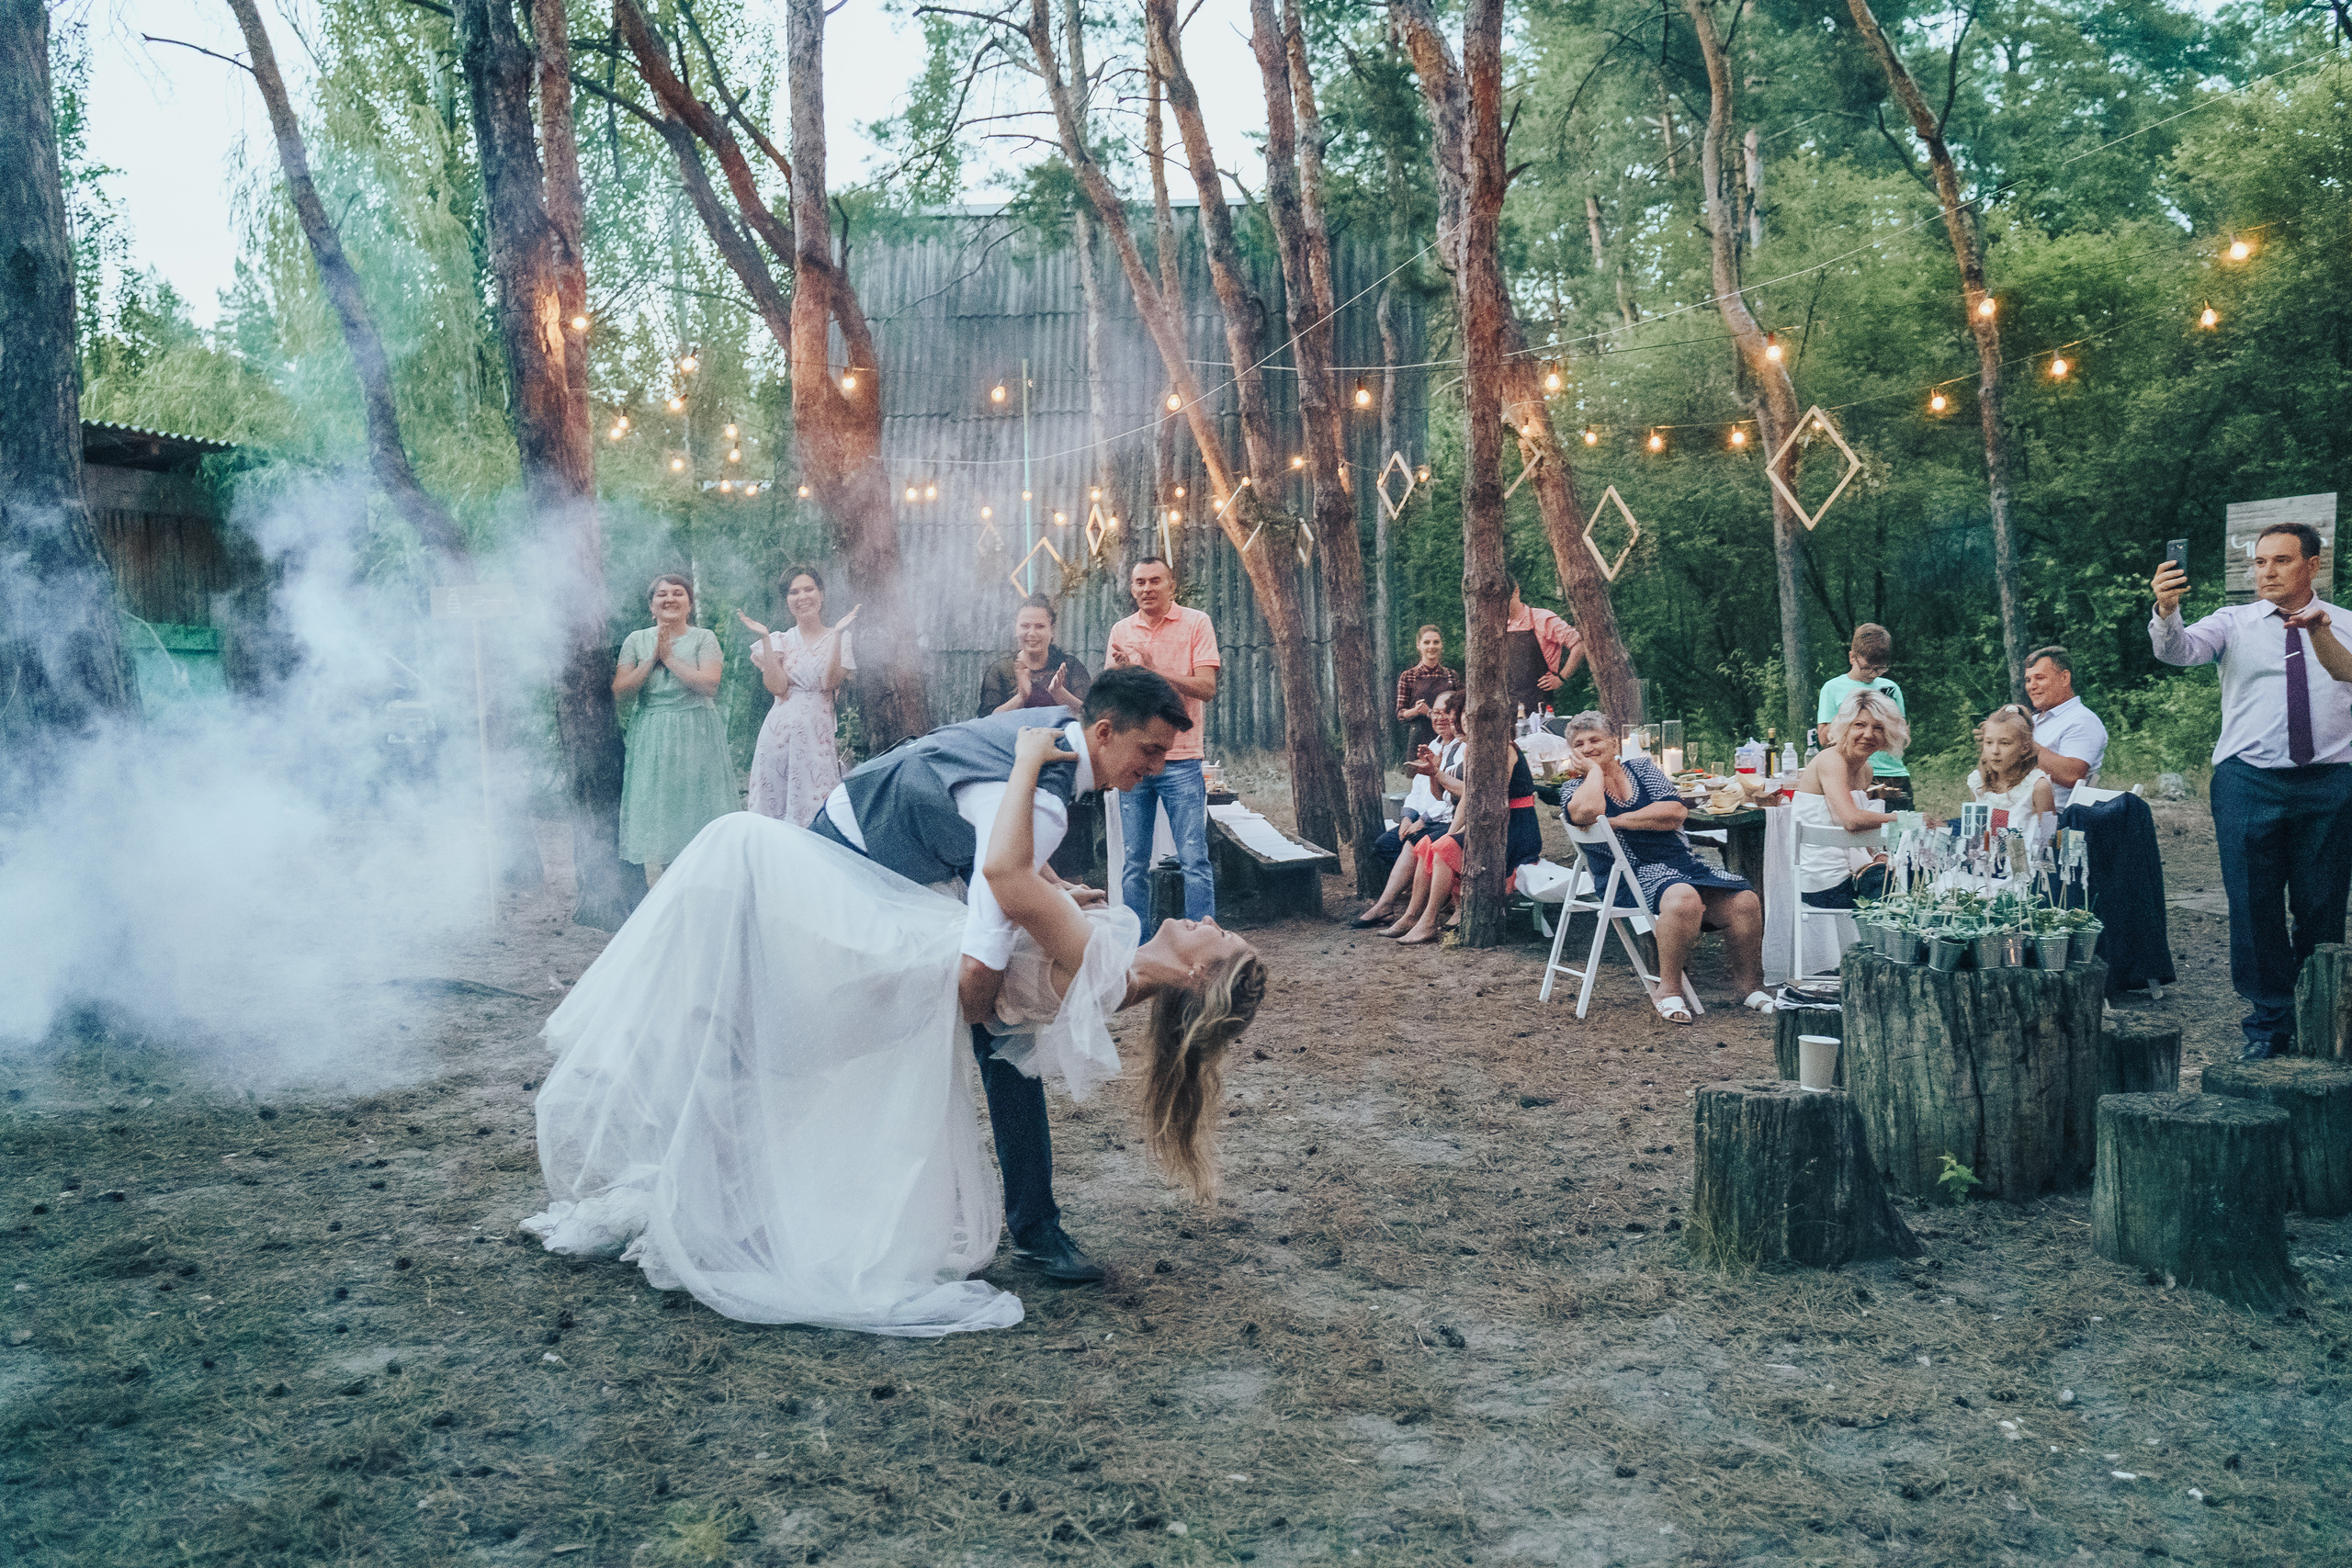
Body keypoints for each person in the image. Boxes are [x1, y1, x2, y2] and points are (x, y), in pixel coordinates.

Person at [521, 724, 1266, 1337]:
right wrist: (1063, 891)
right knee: (752, 1022)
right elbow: (1027, 908)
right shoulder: (1114, 955)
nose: (1207, 918)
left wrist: (1032, 760)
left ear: (1200, 978)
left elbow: (1004, 876)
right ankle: (712, 1196)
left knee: (740, 861)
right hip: (916, 951)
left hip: (906, 965)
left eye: (1218, 936)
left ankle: (708, 1199)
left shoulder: (1107, 965)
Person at [809, 665, 1195, 1284]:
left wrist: (1056, 890)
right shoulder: (1047, 800)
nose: (1155, 768)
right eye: (1150, 750)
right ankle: (1030, 1226)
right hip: (856, 860)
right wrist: (981, 996)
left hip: (907, 846)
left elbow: (995, 827)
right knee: (968, 1023)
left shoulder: (1051, 741)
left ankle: (1036, 1224)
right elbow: (990, 920)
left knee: (1006, 1029)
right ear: (1103, 732)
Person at [2151, 524, 2352, 1059]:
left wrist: (2319, 631)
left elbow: (2348, 672)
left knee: (2322, 905)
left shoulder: (2346, 625)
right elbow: (2180, 653)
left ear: (2313, 565)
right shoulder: (2232, 623)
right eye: (2260, 562)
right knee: (2253, 905)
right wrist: (2167, 612)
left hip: (2330, 783)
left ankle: (2321, 1017)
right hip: (2248, 781)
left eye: (2281, 561)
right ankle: (2270, 1023)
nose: (2267, 571)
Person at [1560, 710, 1769, 1021]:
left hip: (1682, 865)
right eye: (1580, 744)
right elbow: (1590, 810)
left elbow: (1673, 812)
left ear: (1613, 743)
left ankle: (1748, 986)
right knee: (1683, 897)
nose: (1588, 748)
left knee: (1745, 900)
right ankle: (1669, 989)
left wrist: (1615, 821)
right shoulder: (1571, 789)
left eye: (1595, 740)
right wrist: (1592, 773)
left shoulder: (1642, 769)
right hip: (1627, 877)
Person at [1106, 557, 1221, 933]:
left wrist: (1154, 672)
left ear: (1172, 586)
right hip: (1133, 759)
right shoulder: (1122, 630)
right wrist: (1124, 676)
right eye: (1139, 582)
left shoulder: (1196, 623)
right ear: (1132, 588)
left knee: (1193, 858)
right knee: (1134, 862)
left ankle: (1201, 940)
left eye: (1155, 581)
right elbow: (1112, 698)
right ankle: (1135, 946)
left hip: (1182, 758)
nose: (1146, 589)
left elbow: (1206, 688)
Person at [1380, 705, 1543, 944]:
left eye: (1469, 720)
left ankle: (1429, 921)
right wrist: (1455, 830)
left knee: (1445, 848)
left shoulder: (1503, 749)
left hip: (1514, 825)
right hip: (1485, 821)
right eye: (1462, 719)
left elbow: (1495, 796)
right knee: (1428, 843)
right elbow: (1469, 796)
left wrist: (1460, 833)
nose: (1463, 725)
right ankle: (1412, 916)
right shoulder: (1471, 751)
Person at [613, 574, 737, 886]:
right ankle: (670, 888)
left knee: (696, 808)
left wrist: (668, 659)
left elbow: (709, 684)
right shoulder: (636, 640)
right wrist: (651, 659)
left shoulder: (703, 638)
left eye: (678, 593)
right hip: (653, 732)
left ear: (689, 604)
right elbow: (621, 691)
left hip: (696, 729)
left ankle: (702, 884)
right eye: (662, 595)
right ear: (651, 606)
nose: (670, 599)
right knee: (661, 812)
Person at [738, 564, 857, 827]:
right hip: (777, 737)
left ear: (821, 594)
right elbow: (777, 688)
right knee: (774, 812)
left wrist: (836, 635)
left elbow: (829, 682)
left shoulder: (840, 638)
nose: (802, 596)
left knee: (816, 808)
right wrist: (766, 640)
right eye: (794, 592)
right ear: (787, 601)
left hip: (817, 736)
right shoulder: (781, 639)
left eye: (808, 589)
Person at [1355, 693, 1465, 926]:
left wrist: (1423, 820)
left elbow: (1450, 797)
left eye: (1446, 712)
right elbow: (1417, 790)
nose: (1440, 718)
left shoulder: (1461, 749)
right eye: (1435, 712)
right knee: (1385, 844)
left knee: (1415, 842)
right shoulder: (1432, 745)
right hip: (1423, 819)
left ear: (1457, 716)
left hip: (1444, 819)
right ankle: (1418, 895)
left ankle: (1396, 904)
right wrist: (1407, 817)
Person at [1792, 689, 1905, 908]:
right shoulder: (1831, 760)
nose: (1869, 734)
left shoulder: (1865, 770)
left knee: (1917, 871)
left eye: (1878, 727)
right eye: (1859, 725)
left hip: (1857, 871)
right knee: (1912, 884)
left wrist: (1879, 854)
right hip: (1826, 885)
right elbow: (1851, 820)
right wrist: (1903, 819)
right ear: (1844, 728)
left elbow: (1856, 833)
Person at [1815, 623, 1911, 808]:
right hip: (1852, 772)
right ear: (1852, 657)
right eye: (1867, 667)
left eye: (1880, 669)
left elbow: (1901, 734)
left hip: (1893, 773)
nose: (1873, 674)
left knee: (1901, 831)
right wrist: (1853, 712)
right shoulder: (1833, 688)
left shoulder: (1891, 688)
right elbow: (1824, 738)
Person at [2022, 645, 2109, 810]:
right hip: (2016, 811)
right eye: (2028, 680)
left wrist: (2021, 742)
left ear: (2064, 678)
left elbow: (2072, 775)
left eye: (2039, 678)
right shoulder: (2032, 721)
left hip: (2055, 820)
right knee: (1964, 825)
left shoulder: (2082, 720)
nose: (2031, 686)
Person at [978, 593, 1091, 716]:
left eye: (1040, 626)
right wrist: (1021, 697)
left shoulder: (1070, 666)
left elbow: (1091, 717)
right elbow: (986, 721)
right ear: (1016, 629)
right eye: (1025, 626)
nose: (1032, 633)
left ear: (1052, 630)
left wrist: (1060, 693)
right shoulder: (1000, 671)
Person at [1970, 705, 2055, 838]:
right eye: (1989, 743)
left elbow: (2051, 839)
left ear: (2025, 747)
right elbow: (1977, 836)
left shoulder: (2038, 787)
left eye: (2004, 743)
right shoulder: (1978, 783)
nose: (1995, 751)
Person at [1504, 581, 1581, 720]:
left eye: (1505, 599)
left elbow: (1579, 644)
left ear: (1516, 591)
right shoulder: (1498, 627)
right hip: (1507, 708)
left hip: (1541, 707)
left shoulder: (1542, 618)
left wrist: (1562, 677)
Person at [1395, 625, 1459, 752]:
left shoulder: (1451, 675)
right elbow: (1400, 714)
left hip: (1448, 738)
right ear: (1419, 645)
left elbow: (1459, 710)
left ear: (1441, 645)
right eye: (1426, 642)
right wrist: (1416, 711)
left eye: (1436, 642)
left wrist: (1430, 712)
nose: (1431, 647)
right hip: (1419, 739)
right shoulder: (1409, 676)